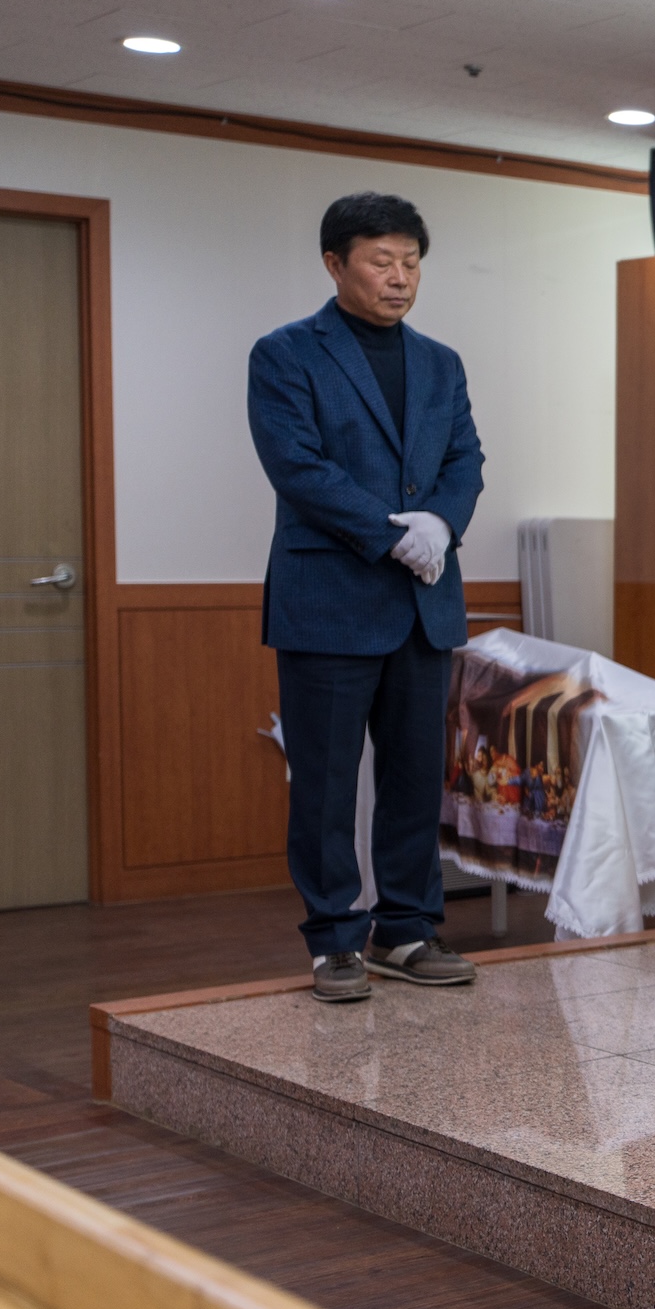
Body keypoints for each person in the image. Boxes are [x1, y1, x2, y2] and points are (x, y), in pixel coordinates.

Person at [248, 192, 487, 1003]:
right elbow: (297, 467)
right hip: (329, 599)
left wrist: (441, 524)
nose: (400, 278)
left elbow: (465, 460)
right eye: (382, 261)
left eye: (411, 262)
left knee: (417, 778)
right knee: (324, 783)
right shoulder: (285, 354)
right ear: (335, 264)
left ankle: (407, 931)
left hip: (423, 600)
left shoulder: (441, 362)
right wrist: (392, 535)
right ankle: (334, 942)